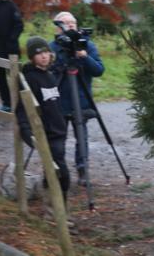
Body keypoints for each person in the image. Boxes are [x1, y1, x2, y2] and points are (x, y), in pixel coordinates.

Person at [50, 11, 105, 186]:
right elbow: (48, 73)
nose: (70, 25)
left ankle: (82, 169)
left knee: (82, 137)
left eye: (73, 22)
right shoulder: (52, 47)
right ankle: (55, 171)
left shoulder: (87, 46)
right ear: (58, 27)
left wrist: (84, 56)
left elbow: (98, 70)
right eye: (65, 23)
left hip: (81, 100)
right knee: (58, 137)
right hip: (59, 100)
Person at [15, 36, 70, 208]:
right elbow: (23, 107)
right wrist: (26, 129)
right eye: (39, 54)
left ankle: (55, 207)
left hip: (59, 132)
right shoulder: (29, 78)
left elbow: (54, 104)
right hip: (46, 134)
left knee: (54, 171)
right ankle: (56, 209)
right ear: (32, 57)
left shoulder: (50, 75)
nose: (44, 56)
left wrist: (62, 119)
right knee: (61, 173)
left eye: (46, 52)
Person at [0, 0, 23, 112]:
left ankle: (22, 103)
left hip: (11, 48)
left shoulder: (10, 5)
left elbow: (19, 24)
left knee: (16, 76)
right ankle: (7, 103)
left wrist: (12, 40)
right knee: (0, 77)